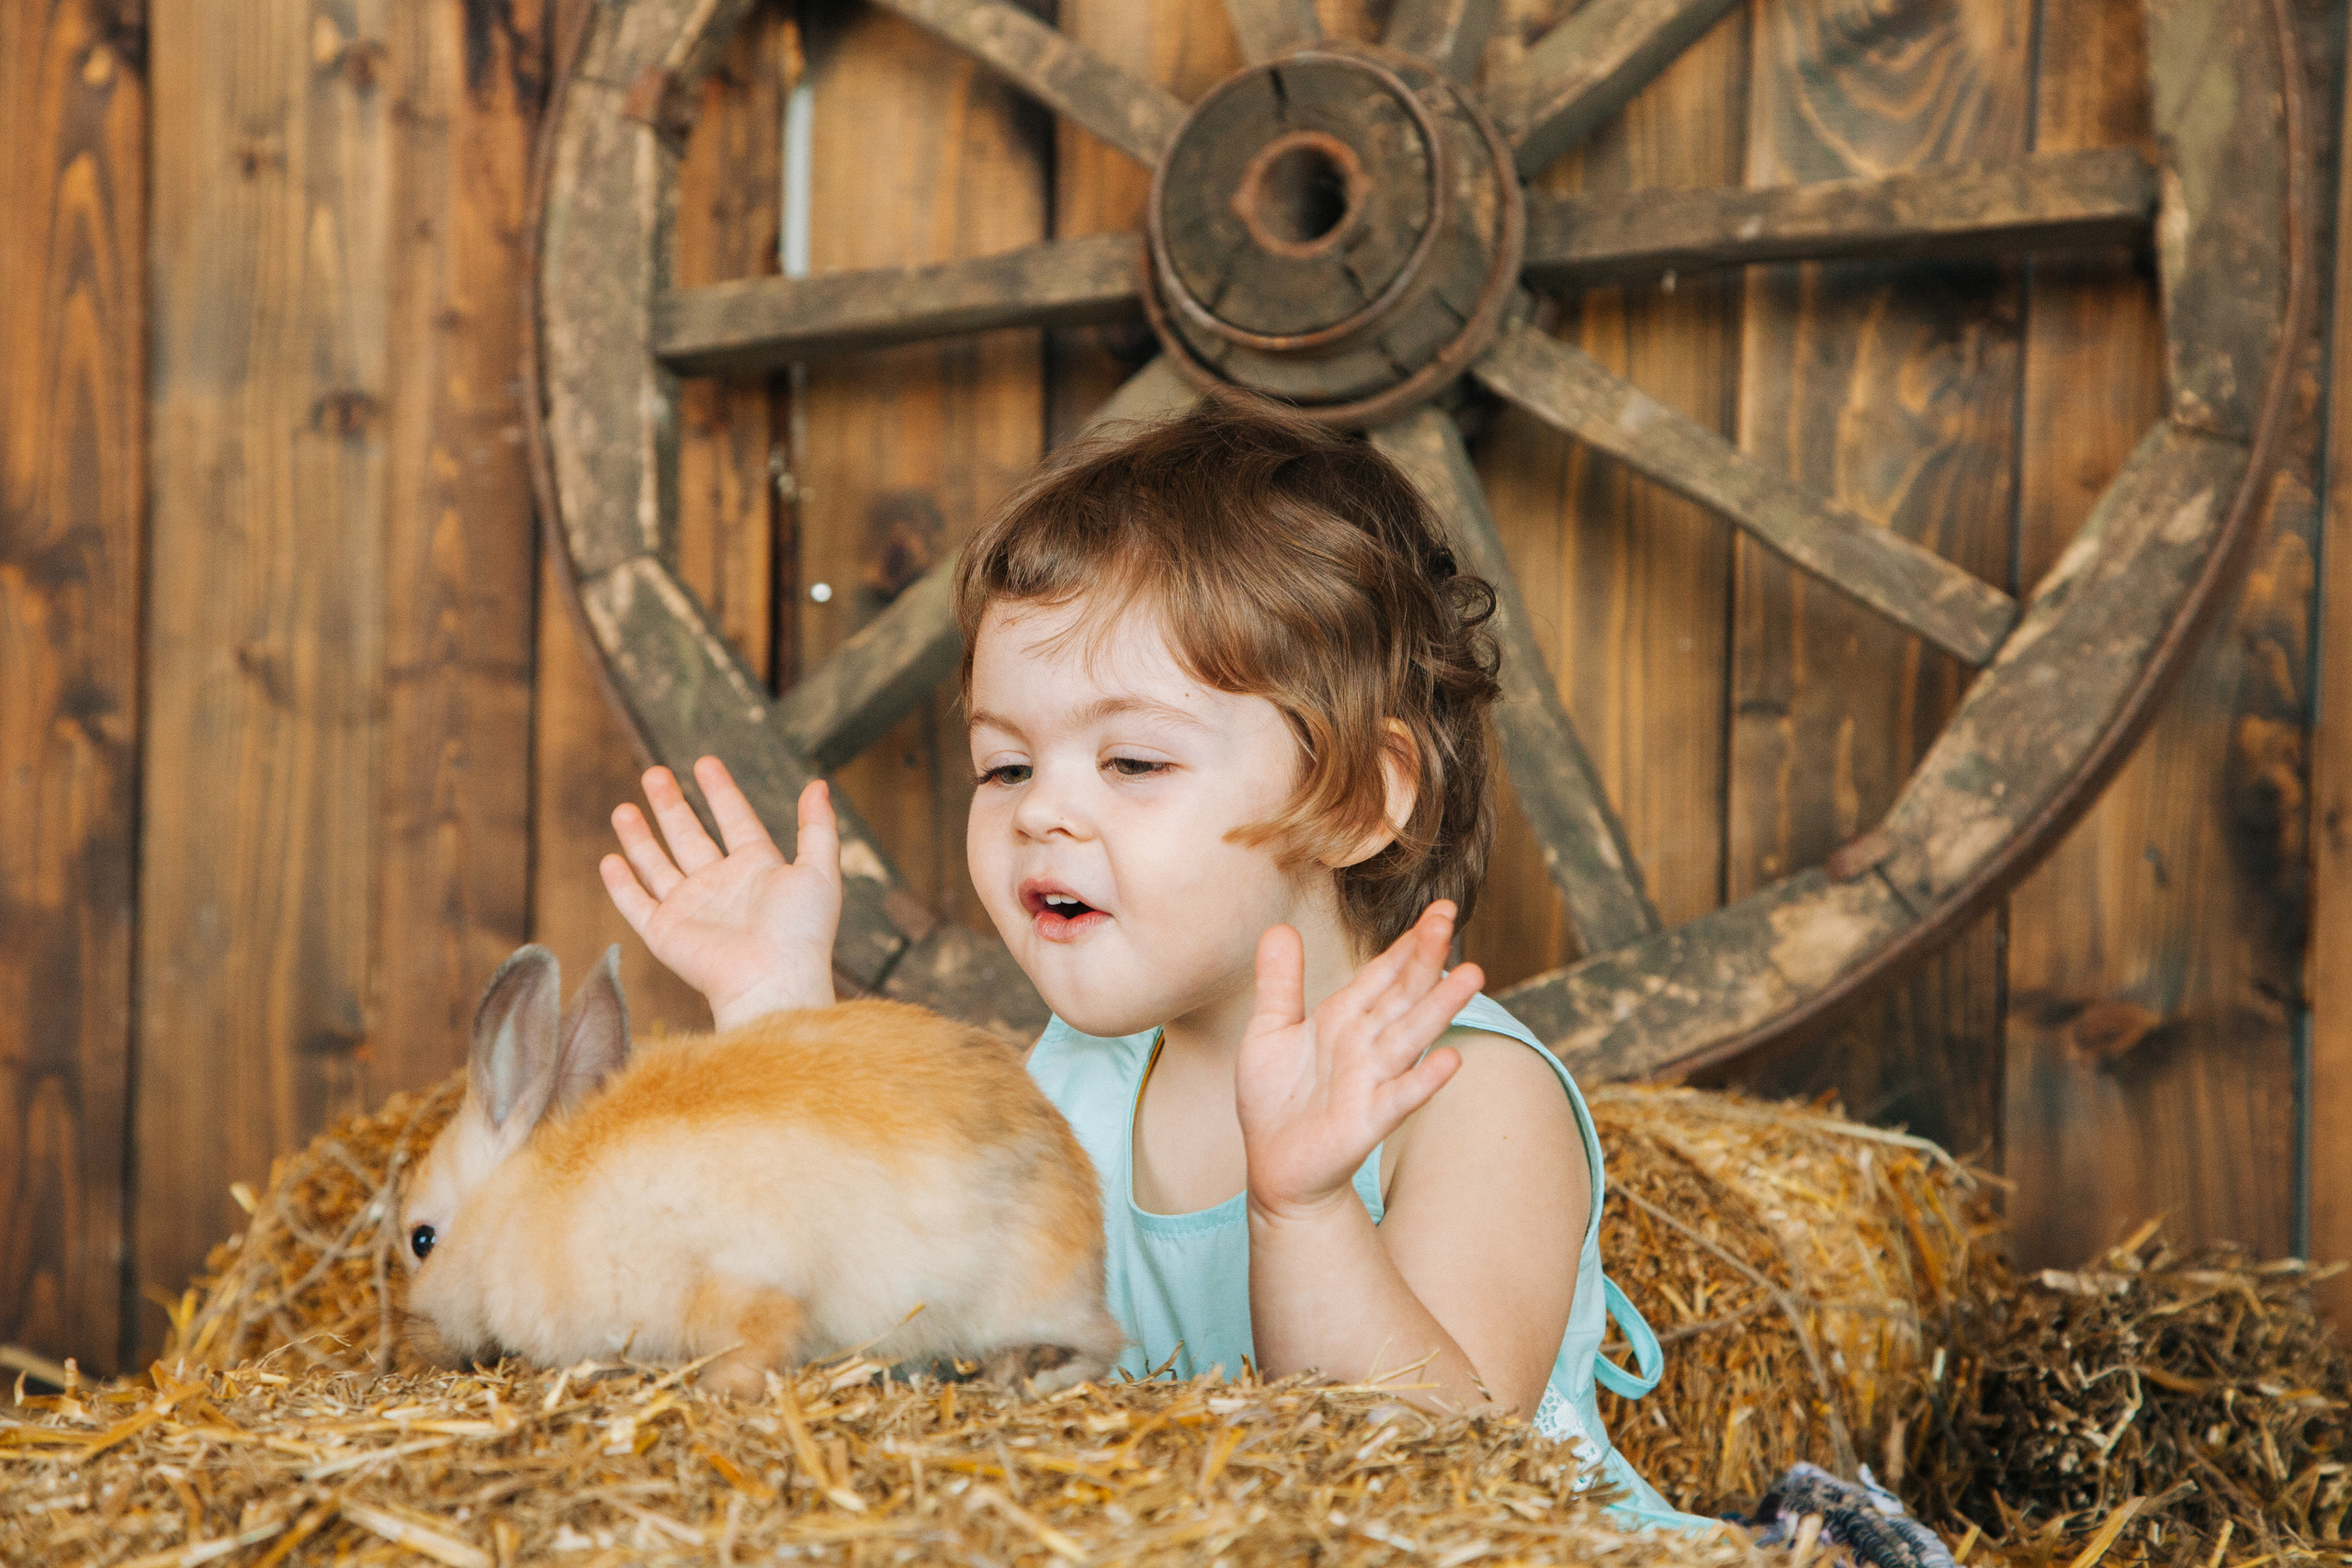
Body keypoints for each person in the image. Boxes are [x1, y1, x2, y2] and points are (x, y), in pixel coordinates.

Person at [597, 395, 1704, 1529]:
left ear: (1363, 798)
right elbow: (895, 1371)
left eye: (1130, 760)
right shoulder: (1076, 1077)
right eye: (1005, 768)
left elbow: (1438, 1487)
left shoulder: (1467, 1097)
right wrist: (778, 1019)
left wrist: (1309, 1209)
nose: (1043, 815)